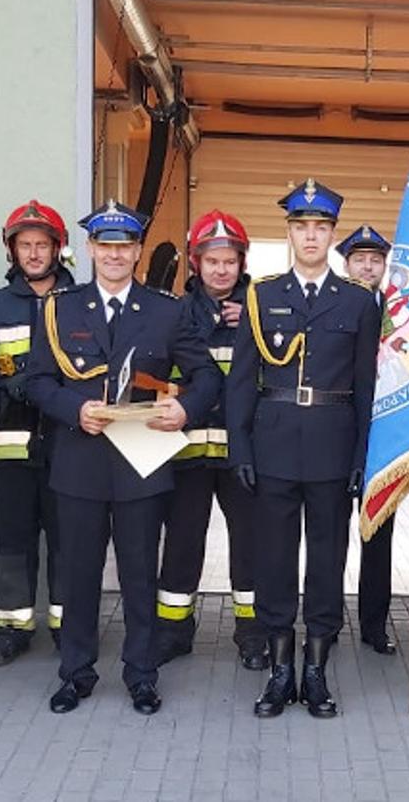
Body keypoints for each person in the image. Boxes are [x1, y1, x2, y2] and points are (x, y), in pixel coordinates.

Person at [24, 200, 220, 715]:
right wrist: (73, 407)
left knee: (139, 574)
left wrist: (184, 410)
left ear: (136, 252)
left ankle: (141, 674)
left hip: (141, 464)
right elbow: (37, 381)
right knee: (78, 575)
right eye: (105, 246)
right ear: (90, 250)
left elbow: (207, 377)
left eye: (124, 247)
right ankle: (76, 673)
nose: (114, 255)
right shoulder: (58, 308)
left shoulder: (167, 309)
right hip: (79, 461)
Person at [227, 179, 379, 718]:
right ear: (289, 233)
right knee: (273, 559)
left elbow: (366, 388)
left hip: (333, 445)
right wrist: (239, 449)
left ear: (332, 234)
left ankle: (315, 670)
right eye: (301, 227)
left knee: (326, 559)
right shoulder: (261, 296)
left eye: (320, 227)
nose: (310, 236)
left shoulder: (359, 302)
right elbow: (242, 380)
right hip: (272, 443)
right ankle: (279, 670)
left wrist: (364, 457)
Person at [155, 210, 267, 670]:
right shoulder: (171, 313)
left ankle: (253, 632)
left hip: (242, 452)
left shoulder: (264, 310)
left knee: (251, 544)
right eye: (212, 261)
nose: (221, 269)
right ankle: (173, 631)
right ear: (195, 262)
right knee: (182, 543)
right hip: (185, 450)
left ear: (242, 263)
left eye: (229, 261)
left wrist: (255, 326)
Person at [0, 200, 77, 666]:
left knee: (68, 539)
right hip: (12, 444)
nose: (33, 254)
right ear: (11, 251)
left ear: (59, 249)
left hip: (71, 446)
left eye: (42, 245)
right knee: (11, 541)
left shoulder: (81, 303)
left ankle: (68, 624)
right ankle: (11, 629)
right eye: (25, 246)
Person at [337, 222, 399, 655]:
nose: (367, 266)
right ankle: (328, 619)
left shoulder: (401, 313)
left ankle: (375, 625)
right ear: (346, 263)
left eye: (375, 260)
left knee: (379, 534)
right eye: (360, 258)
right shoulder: (334, 305)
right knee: (331, 533)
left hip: (387, 435)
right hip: (340, 434)